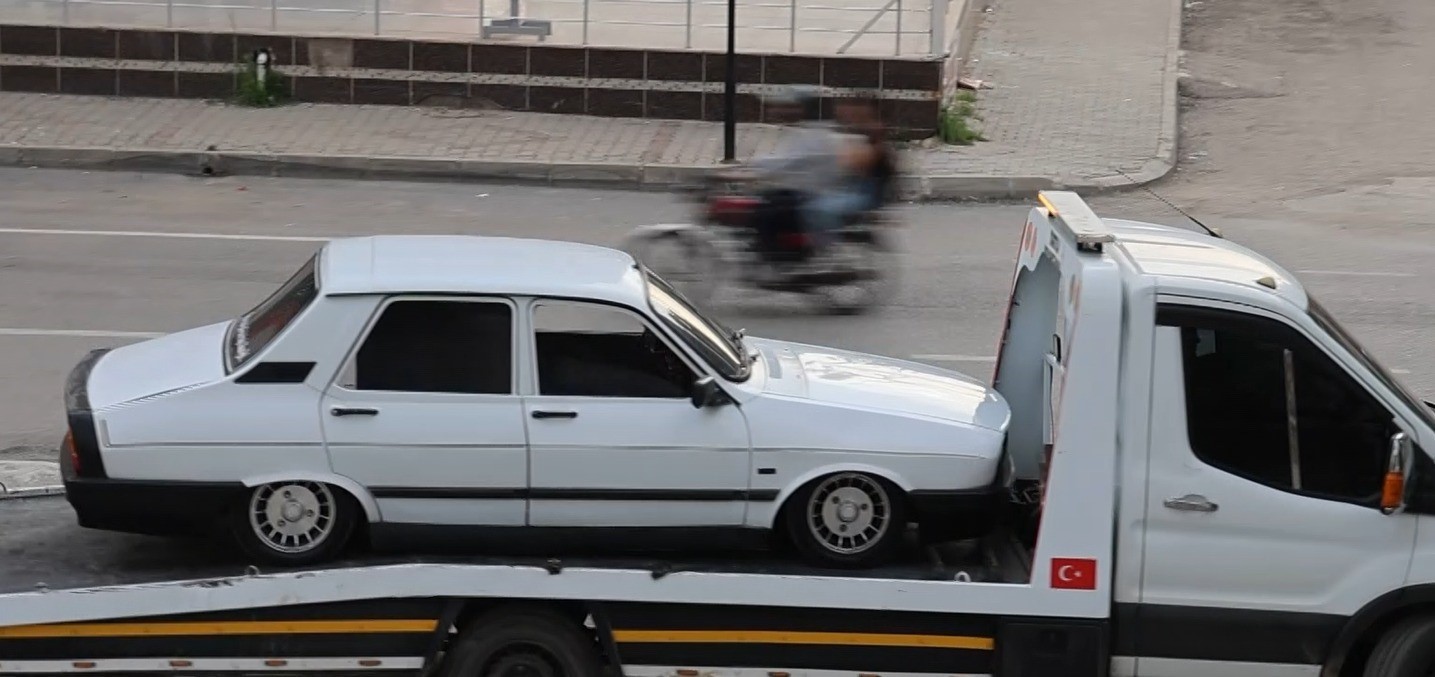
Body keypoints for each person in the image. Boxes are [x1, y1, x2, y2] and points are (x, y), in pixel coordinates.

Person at [738, 86, 847, 261]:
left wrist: (748, 168)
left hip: (811, 197)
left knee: (764, 213)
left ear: (801, 109)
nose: (776, 111)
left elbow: (787, 162)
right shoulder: (807, 131)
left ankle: (771, 259)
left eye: (786, 106)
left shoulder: (813, 135)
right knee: (764, 198)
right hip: (804, 192)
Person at [805, 96, 898, 248]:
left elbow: (853, 164)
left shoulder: (876, 143)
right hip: (852, 191)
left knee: (816, 209)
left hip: (865, 196)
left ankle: (825, 246)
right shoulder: (865, 138)